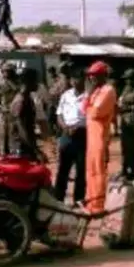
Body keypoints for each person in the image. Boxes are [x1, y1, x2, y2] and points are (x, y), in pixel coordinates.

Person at [82, 61, 117, 215]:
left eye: (95, 75)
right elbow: (84, 109)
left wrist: (88, 106)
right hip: (91, 136)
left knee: (98, 171)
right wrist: (89, 98)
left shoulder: (108, 91)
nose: (92, 78)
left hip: (100, 136)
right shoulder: (96, 91)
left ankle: (98, 204)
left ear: (104, 75)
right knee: (90, 170)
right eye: (90, 76)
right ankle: (90, 201)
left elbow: (96, 112)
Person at [54, 72, 87, 205]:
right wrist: (65, 127)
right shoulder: (66, 95)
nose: (74, 81)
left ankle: (78, 199)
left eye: (77, 78)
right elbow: (59, 114)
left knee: (81, 168)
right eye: (72, 78)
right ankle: (58, 198)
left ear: (83, 79)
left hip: (82, 134)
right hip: (67, 134)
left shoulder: (89, 96)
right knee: (63, 168)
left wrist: (79, 127)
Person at [9, 68, 44, 161]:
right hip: (21, 148)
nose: (38, 84)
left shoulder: (28, 98)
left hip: (26, 146)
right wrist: (36, 150)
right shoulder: (21, 100)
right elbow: (21, 129)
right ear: (28, 81)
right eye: (36, 80)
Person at [0, 62, 20, 155]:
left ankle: (15, 151)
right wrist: (0, 109)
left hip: (17, 112)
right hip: (5, 112)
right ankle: (5, 152)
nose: (7, 73)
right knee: (4, 133)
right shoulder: (0, 83)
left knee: (16, 133)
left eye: (9, 71)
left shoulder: (18, 82)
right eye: (5, 71)